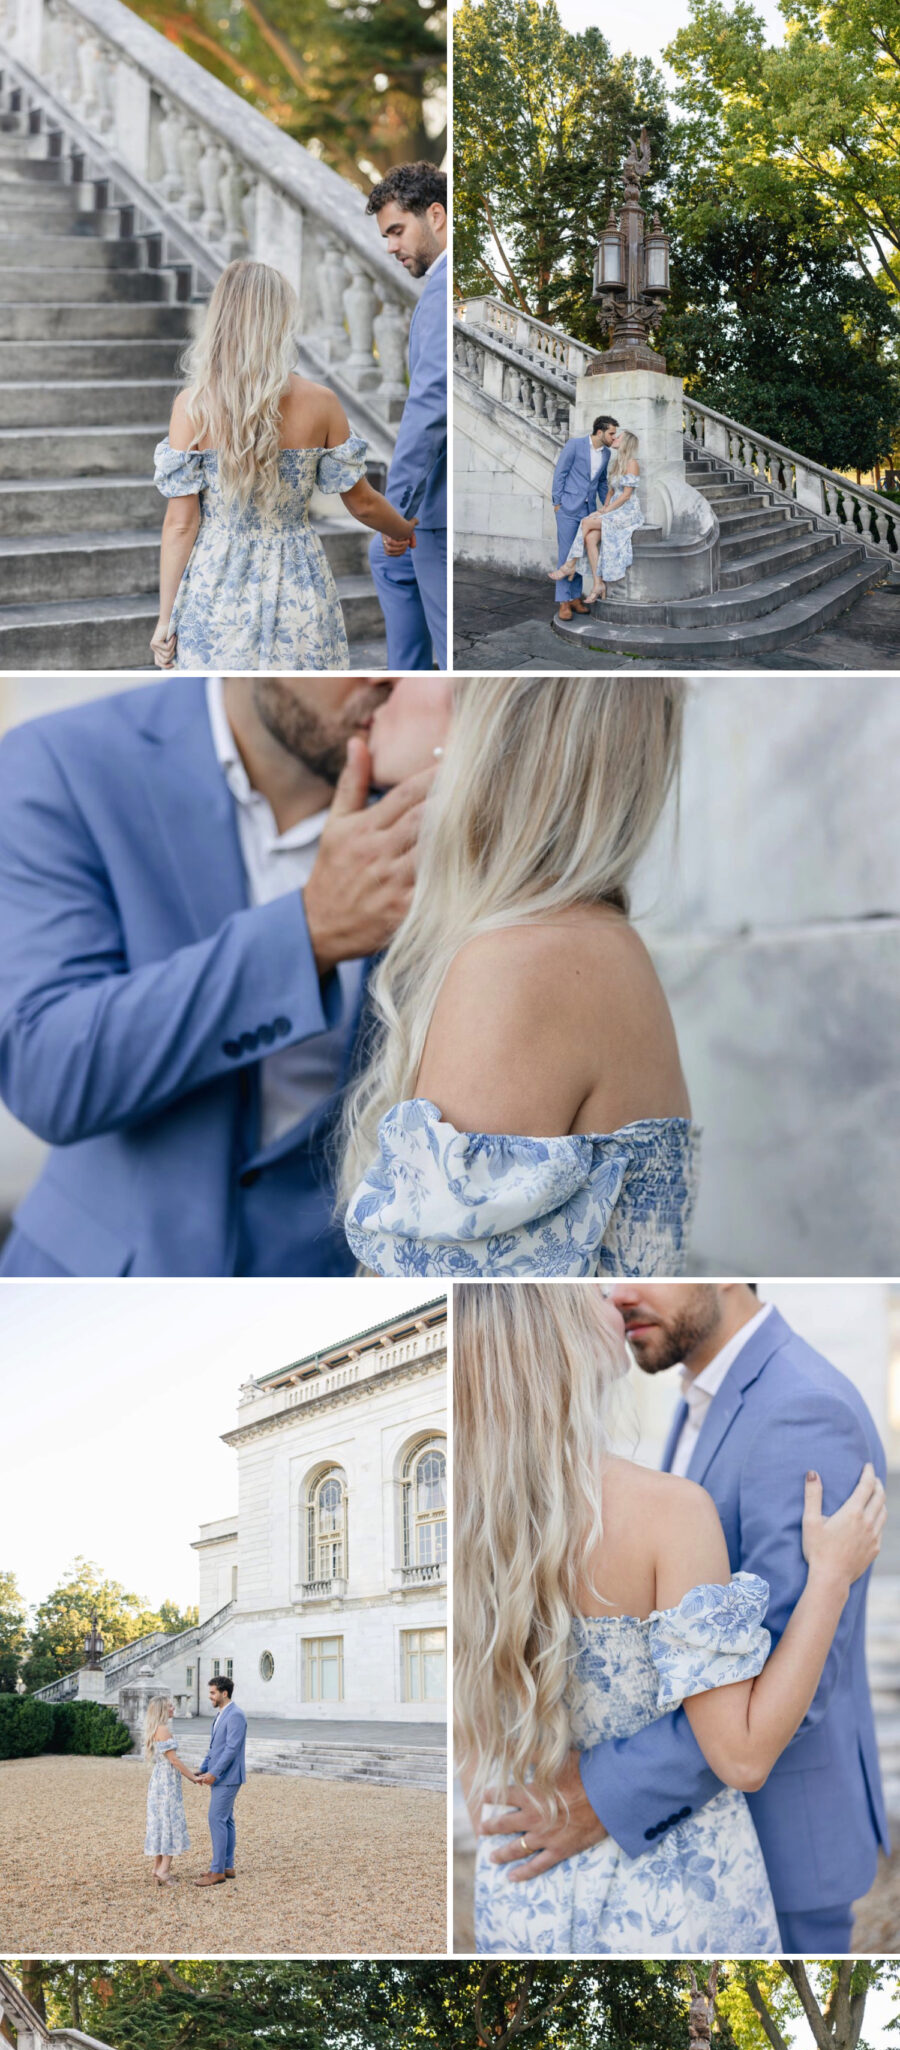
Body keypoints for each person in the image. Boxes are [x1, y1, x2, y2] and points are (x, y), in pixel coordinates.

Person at [455, 1284, 886, 1955]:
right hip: (676, 1888)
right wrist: (831, 1575)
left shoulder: (476, 1515)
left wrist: (589, 1794)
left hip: (532, 1888)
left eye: (638, 1271)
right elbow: (742, 1744)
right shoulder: (665, 1501)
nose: (620, 1294)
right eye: (594, 1289)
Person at [0, 674, 452, 1279]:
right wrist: (309, 932)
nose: (386, 673)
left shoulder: (431, 787)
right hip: (92, 1285)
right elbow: (48, 1072)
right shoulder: (57, 763)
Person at [340, 676, 700, 1277]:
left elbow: (435, 1312)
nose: (388, 682)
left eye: (432, 672)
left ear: (483, 719)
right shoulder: (592, 942)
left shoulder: (524, 964)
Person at [150, 261, 417, 671]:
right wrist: (401, 531)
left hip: (215, 586)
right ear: (280, 320)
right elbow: (362, 503)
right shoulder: (321, 402)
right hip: (298, 582)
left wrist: (166, 620)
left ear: (221, 318)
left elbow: (180, 525)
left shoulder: (192, 406)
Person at [365, 165, 447, 669]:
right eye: (385, 236)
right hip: (430, 509)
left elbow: (429, 404)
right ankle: (409, 674)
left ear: (435, 215)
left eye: (397, 231)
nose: (390, 247)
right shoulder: (436, 292)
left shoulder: (441, 292)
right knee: (384, 560)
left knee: (446, 643)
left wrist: (396, 513)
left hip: (432, 510)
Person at [555, 430, 644, 602]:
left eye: (619, 437)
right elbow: (610, 491)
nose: (615, 438)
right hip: (613, 508)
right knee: (590, 539)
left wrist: (607, 510)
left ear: (625, 442)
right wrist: (604, 507)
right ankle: (598, 584)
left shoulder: (632, 464)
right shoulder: (616, 463)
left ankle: (570, 564)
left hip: (627, 511)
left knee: (586, 522)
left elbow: (626, 495)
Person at [550, 417, 617, 622]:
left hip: (589, 510)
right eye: (611, 433)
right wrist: (557, 502)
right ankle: (563, 602)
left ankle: (575, 598)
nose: (614, 437)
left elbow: (602, 482)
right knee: (566, 553)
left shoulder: (606, 453)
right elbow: (560, 473)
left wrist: (608, 507)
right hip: (568, 507)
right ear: (600, 432)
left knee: (578, 553)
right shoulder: (575, 445)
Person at [194, 1675, 248, 1887]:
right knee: (226, 1820)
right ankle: (227, 1866)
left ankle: (217, 1872)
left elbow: (232, 1749)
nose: (210, 1697)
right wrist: (203, 1769)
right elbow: (215, 1748)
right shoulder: (221, 1715)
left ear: (224, 1693)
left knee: (216, 1819)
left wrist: (214, 1773)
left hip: (228, 1777)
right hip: (221, 1775)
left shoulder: (236, 1715)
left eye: (213, 1693)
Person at [143, 1691, 197, 1888]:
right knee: (170, 1822)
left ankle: (157, 1868)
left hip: (159, 1780)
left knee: (161, 1822)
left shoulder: (155, 1729)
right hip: (167, 1782)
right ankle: (164, 1870)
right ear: (162, 1711)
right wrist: (192, 1776)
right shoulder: (163, 1730)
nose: (173, 1708)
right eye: (170, 1706)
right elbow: (173, 1759)